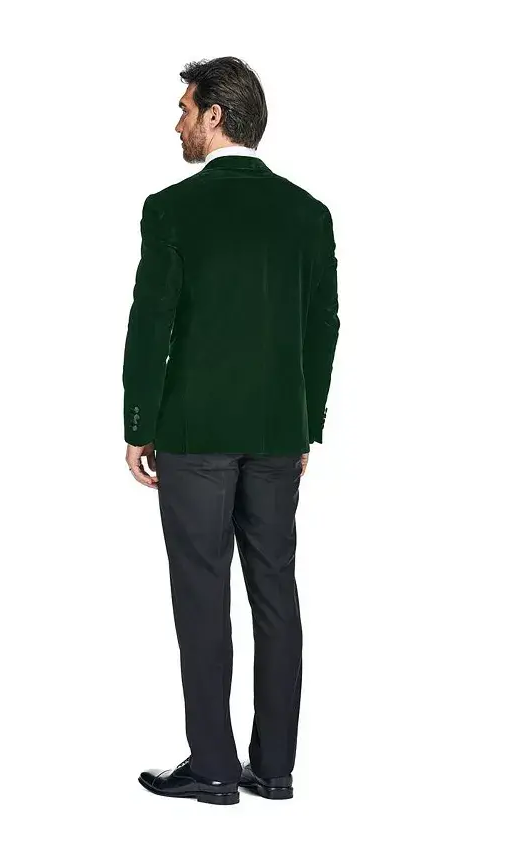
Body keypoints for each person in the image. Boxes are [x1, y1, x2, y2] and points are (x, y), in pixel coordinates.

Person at [122, 56, 340, 805]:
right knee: (275, 591)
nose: (178, 122)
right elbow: (323, 326)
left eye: (186, 109)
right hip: (278, 433)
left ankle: (215, 767)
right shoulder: (308, 213)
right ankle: (274, 768)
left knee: (201, 593)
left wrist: (139, 422)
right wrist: (305, 426)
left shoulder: (171, 209)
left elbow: (151, 323)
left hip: (194, 431)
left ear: (215, 116)